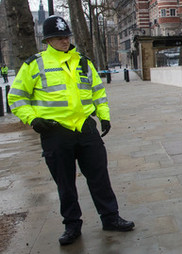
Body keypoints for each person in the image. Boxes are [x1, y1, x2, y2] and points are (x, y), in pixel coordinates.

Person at [7, 15, 135, 246]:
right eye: (58, 38)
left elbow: (98, 92)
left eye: (66, 36)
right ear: (47, 40)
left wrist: (104, 117)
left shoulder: (83, 62)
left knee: (100, 177)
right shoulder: (34, 65)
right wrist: (33, 119)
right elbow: (16, 98)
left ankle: (110, 217)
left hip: (85, 128)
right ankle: (72, 225)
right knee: (65, 183)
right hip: (55, 132)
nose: (64, 41)